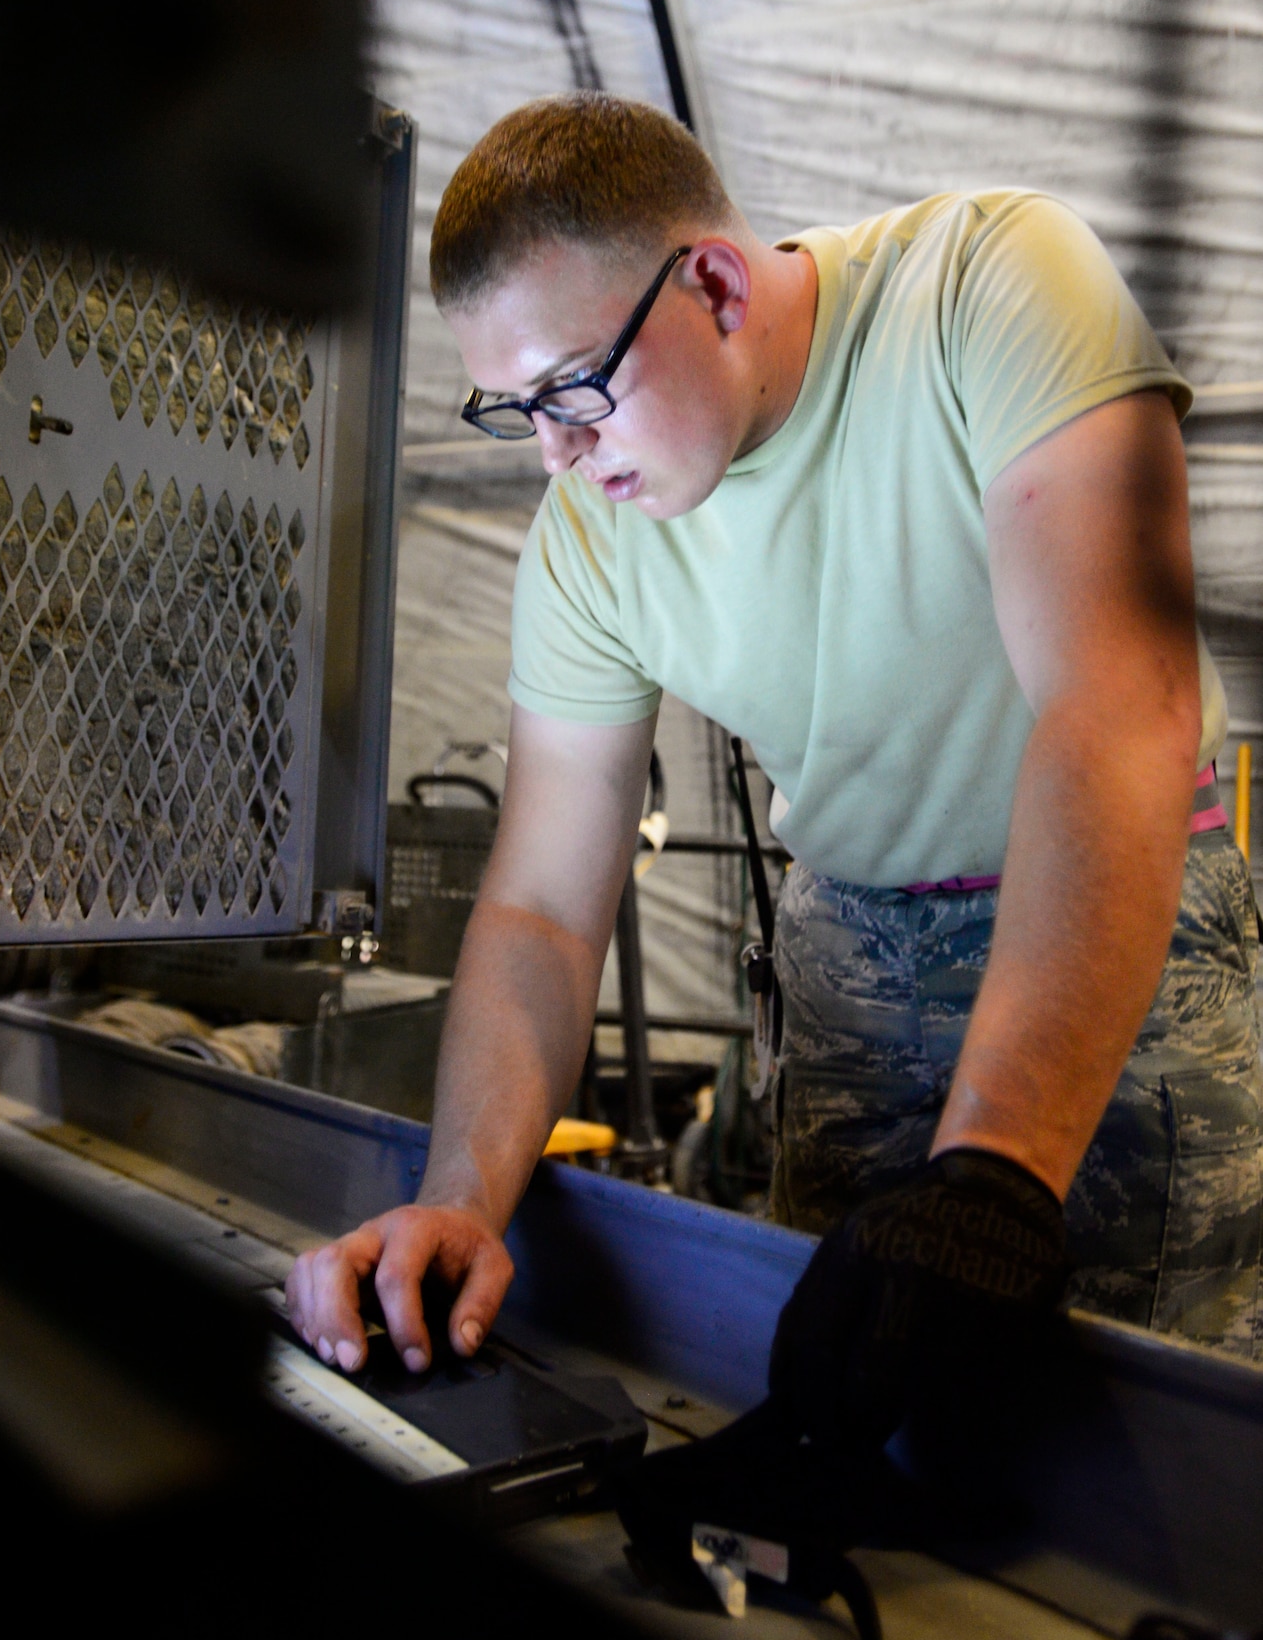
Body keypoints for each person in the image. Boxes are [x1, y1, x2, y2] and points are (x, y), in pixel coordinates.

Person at [287, 93, 1263, 1403]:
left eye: (575, 388)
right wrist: (462, 1196)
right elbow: (538, 911)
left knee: (1127, 1453)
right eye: (515, 412)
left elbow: (1116, 709)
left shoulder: (989, 283)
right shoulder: (590, 540)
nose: (559, 458)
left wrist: (991, 1174)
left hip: (1113, 945)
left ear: (715, 284)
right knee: (845, 1399)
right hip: (849, 969)